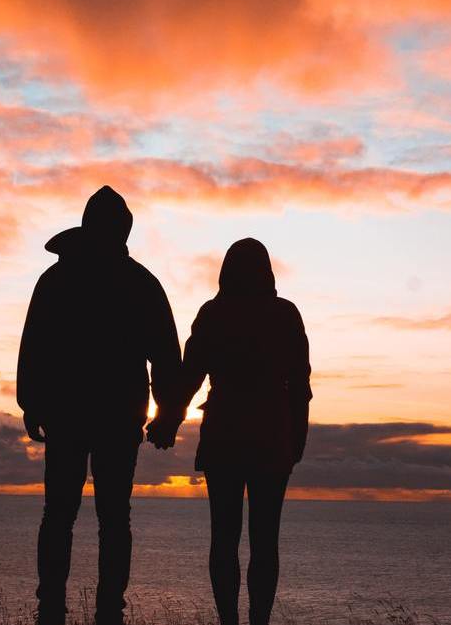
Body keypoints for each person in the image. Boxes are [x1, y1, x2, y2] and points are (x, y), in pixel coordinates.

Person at [17, 186, 181, 625]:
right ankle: (106, 610)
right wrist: (166, 416)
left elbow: (34, 347)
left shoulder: (57, 279)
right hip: (115, 415)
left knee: (61, 515)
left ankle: (54, 607)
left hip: (71, 413)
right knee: (111, 518)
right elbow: (166, 356)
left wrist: (31, 403)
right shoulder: (139, 282)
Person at [148, 238, 311, 625]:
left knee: (224, 539)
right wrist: (296, 441)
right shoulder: (286, 315)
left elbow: (190, 378)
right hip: (272, 439)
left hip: (225, 436)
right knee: (264, 542)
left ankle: (229, 622)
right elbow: (300, 388)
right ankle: (258, 621)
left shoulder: (213, 314)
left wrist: (168, 420)